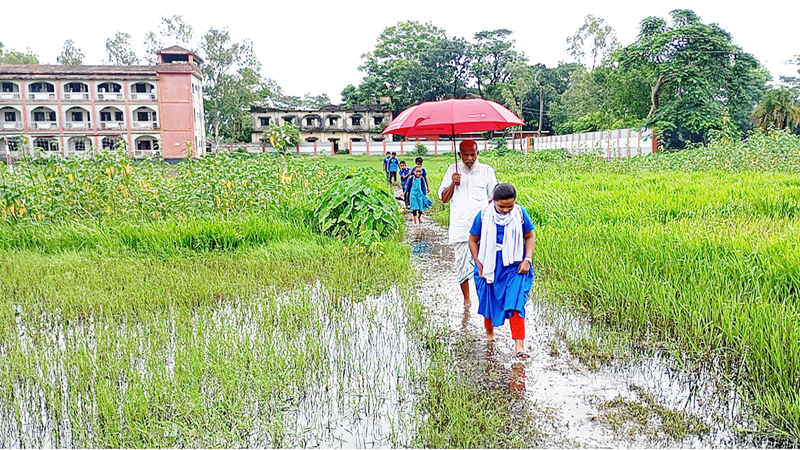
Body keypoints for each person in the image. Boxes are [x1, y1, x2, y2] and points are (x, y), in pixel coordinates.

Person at [468, 183, 535, 359]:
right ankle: (490, 336)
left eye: (510, 206)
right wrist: (479, 264)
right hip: (489, 266)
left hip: (515, 266)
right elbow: (473, 240)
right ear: (493, 201)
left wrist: (527, 259)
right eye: (501, 206)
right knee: (488, 300)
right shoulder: (483, 215)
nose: (506, 210)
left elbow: (529, 236)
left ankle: (519, 347)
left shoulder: (520, 214)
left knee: (516, 304)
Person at [438, 139, 498, 307]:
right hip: (460, 227)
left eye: (473, 154)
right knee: (462, 264)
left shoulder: (487, 171)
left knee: (485, 264)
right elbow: (443, 198)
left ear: (478, 153)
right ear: (459, 155)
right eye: (465, 155)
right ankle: (467, 300)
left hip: (483, 228)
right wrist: (453, 183)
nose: (469, 158)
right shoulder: (452, 170)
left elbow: (494, 199)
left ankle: (485, 299)